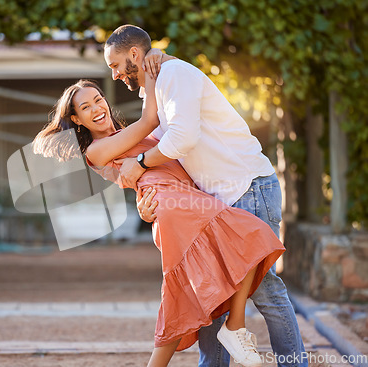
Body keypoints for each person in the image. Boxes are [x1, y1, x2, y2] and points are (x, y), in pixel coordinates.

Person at [32, 75, 285, 367]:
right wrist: (152, 74)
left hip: (181, 201)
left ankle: (229, 329)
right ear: (77, 119)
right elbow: (150, 120)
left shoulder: (126, 134)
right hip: (172, 205)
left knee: (187, 293)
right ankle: (234, 326)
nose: (97, 108)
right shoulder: (96, 151)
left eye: (98, 100)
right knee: (252, 236)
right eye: (86, 107)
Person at [103, 24, 307, 367]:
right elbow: (167, 158)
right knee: (212, 294)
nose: (115, 73)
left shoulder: (174, 75)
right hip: (215, 202)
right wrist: (147, 198)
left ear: (134, 55)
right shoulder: (154, 87)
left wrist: (138, 164)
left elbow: (182, 139)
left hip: (248, 186)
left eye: (116, 64)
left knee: (266, 290)